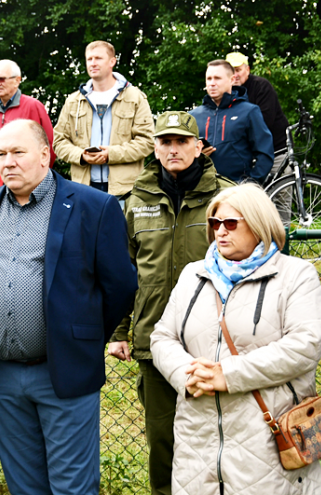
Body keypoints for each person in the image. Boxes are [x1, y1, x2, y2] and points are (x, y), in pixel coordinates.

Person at [0, 119, 137, 494]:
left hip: (63, 371)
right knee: (24, 486)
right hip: (2, 377)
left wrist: (81, 336)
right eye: (1, 153)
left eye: (18, 152)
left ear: (45, 155)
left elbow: (121, 286)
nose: (7, 162)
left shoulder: (94, 206)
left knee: (72, 487)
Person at [150, 183, 321, 494]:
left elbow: (305, 345)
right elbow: (162, 337)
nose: (220, 231)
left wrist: (227, 375)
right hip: (198, 441)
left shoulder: (296, 275)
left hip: (267, 440)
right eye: (214, 223)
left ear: (259, 224)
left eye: (231, 223)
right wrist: (187, 375)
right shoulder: (193, 275)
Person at [107, 111, 233, 495]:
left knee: (220, 439)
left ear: (199, 147)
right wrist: (119, 330)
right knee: (162, 441)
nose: (173, 149)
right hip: (154, 339)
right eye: (165, 142)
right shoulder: (135, 201)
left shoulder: (226, 196)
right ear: (155, 148)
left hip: (215, 341)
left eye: (182, 141)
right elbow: (124, 271)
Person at [53, 40, 155, 199]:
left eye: (98, 58)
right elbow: (58, 141)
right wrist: (81, 155)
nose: (93, 63)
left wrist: (111, 154)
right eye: (89, 59)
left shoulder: (135, 97)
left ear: (112, 61)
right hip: (84, 190)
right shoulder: (74, 101)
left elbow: (147, 142)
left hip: (125, 192)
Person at [0, 60, 56, 194]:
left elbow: (49, 145)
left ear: (17, 80)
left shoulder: (33, 106)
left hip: (27, 185)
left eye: (2, 79)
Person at [190, 60, 274, 183]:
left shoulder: (249, 111)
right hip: (201, 190)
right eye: (209, 79)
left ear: (232, 80)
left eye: (217, 78)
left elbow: (265, 153)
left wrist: (250, 184)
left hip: (236, 192)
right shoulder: (193, 116)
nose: (212, 83)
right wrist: (195, 157)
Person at [226, 52, 290, 171]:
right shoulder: (224, 93)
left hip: (275, 151)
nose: (235, 75)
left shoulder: (261, 86)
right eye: (231, 71)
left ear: (248, 70)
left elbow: (265, 122)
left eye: (238, 70)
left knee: (281, 186)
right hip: (244, 155)